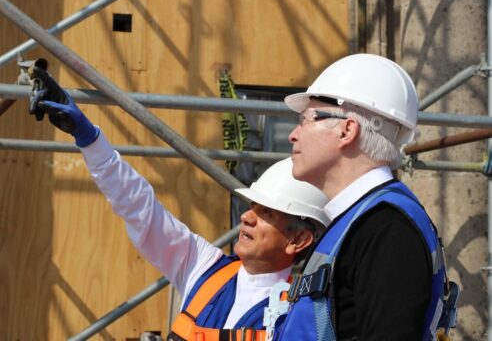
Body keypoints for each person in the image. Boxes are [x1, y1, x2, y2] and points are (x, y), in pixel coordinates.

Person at [31, 89, 330, 341]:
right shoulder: (204, 267)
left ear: (298, 239)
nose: (247, 218)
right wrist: (88, 138)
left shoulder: (300, 316)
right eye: (251, 208)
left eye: (266, 214)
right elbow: (139, 208)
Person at [276, 54, 450, 341]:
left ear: (347, 130)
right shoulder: (365, 223)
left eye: (305, 119)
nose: (293, 135)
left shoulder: (387, 229)